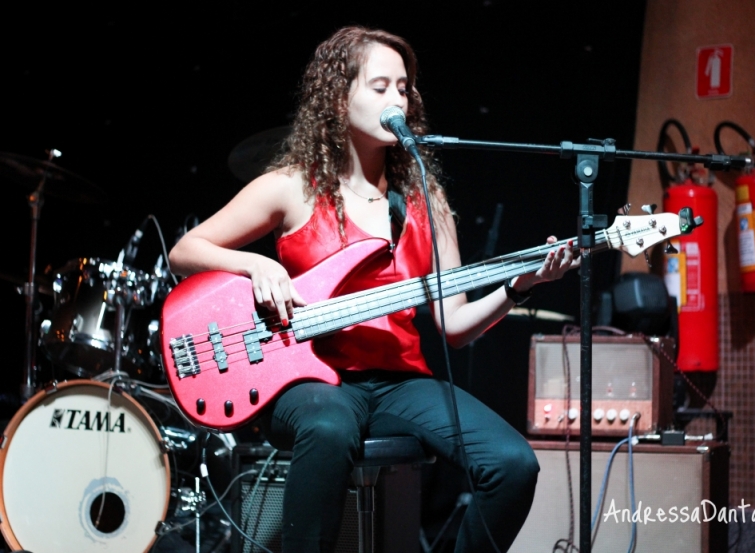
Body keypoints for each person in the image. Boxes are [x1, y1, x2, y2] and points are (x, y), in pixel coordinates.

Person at [169, 25, 576, 553]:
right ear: (339, 100)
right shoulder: (292, 187)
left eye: (404, 88)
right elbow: (185, 251)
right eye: (380, 86)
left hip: (397, 382)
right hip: (305, 376)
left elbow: (452, 326)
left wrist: (519, 288)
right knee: (331, 427)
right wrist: (254, 266)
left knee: (513, 464)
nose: (397, 100)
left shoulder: (426, 202)